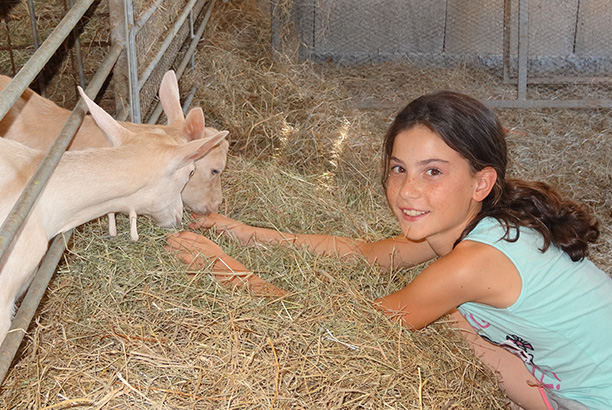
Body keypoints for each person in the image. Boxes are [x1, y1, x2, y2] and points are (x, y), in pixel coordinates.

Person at [165, 91, 612, 410]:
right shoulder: (476, 227)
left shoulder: (473, 262)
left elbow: (352, 334)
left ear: (481, 182)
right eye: (398, 169)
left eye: (433, 171)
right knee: (455, 322)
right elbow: (368, 253)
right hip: (570, 385)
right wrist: (246, 232)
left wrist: (230, 273)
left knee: (449, 318)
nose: (406, 191)